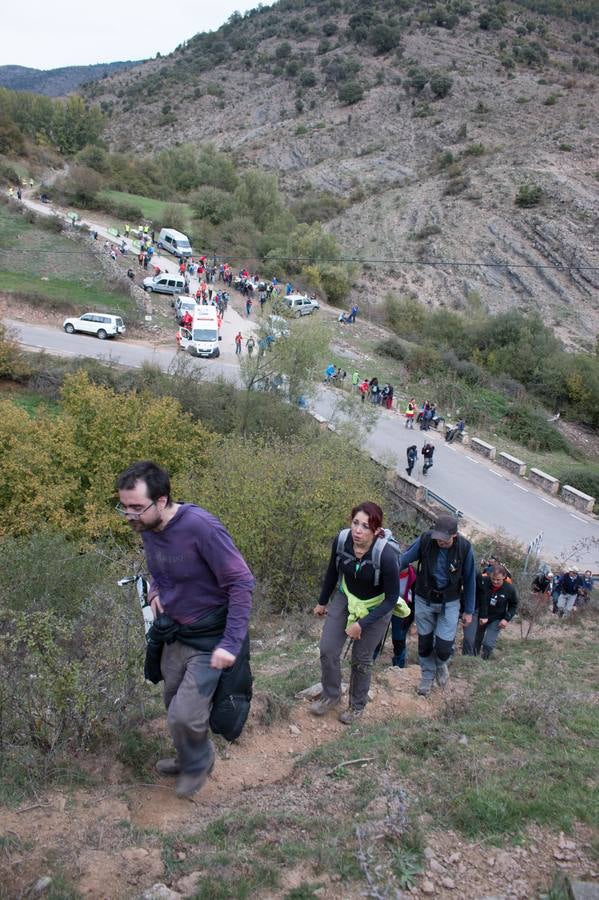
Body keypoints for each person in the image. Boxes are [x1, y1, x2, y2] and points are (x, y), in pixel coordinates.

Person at [115, 461, 253, 798]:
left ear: (161, 501)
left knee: (184, 714)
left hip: (210, 637)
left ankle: (200, 761)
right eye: (125, 507)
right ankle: (187, 755)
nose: (130, 515)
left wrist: (230, 644)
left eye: (137, 507)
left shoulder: (201, 527)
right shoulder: (148, 528)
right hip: (176, 633)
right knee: (172, 702)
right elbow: (159, 570)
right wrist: (155, 590)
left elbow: (241, 582)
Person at [311, 502, 408, 724]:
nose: (358, 530)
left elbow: (392, 599)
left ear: (376, 530)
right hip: (347, 597)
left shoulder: (385, 555)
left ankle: (356, 706)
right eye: (356, 523)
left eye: (365, 526)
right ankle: (331, 695)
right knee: (327, 649)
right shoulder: (342, 541)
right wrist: (322, 602)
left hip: (377, 606)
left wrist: (361, 625)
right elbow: (331, 573)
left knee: (361, 658)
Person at [399, 515, 476, 696]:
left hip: (449, 602)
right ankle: (427, 677)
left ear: (454, 535)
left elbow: (471, 579)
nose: (439, 541)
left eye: (444, 538)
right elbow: (404, 559)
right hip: (424, 599)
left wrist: (469, 611)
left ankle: (441, 663)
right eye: (438, 537)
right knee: (425, 643)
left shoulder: (464, 548)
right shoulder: (426, 540)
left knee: (443, 646)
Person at [476, 564, 519, 659]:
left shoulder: (509, 589)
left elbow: (513, 605)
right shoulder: (484, 582)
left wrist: (506, 619)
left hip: (497, 618)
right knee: (476, 639)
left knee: (488, 644)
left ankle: (484, 661)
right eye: (493, 579)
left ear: (504, 577)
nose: (495, 582)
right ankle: (473, 659)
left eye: (498, 580)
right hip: (482, 615)